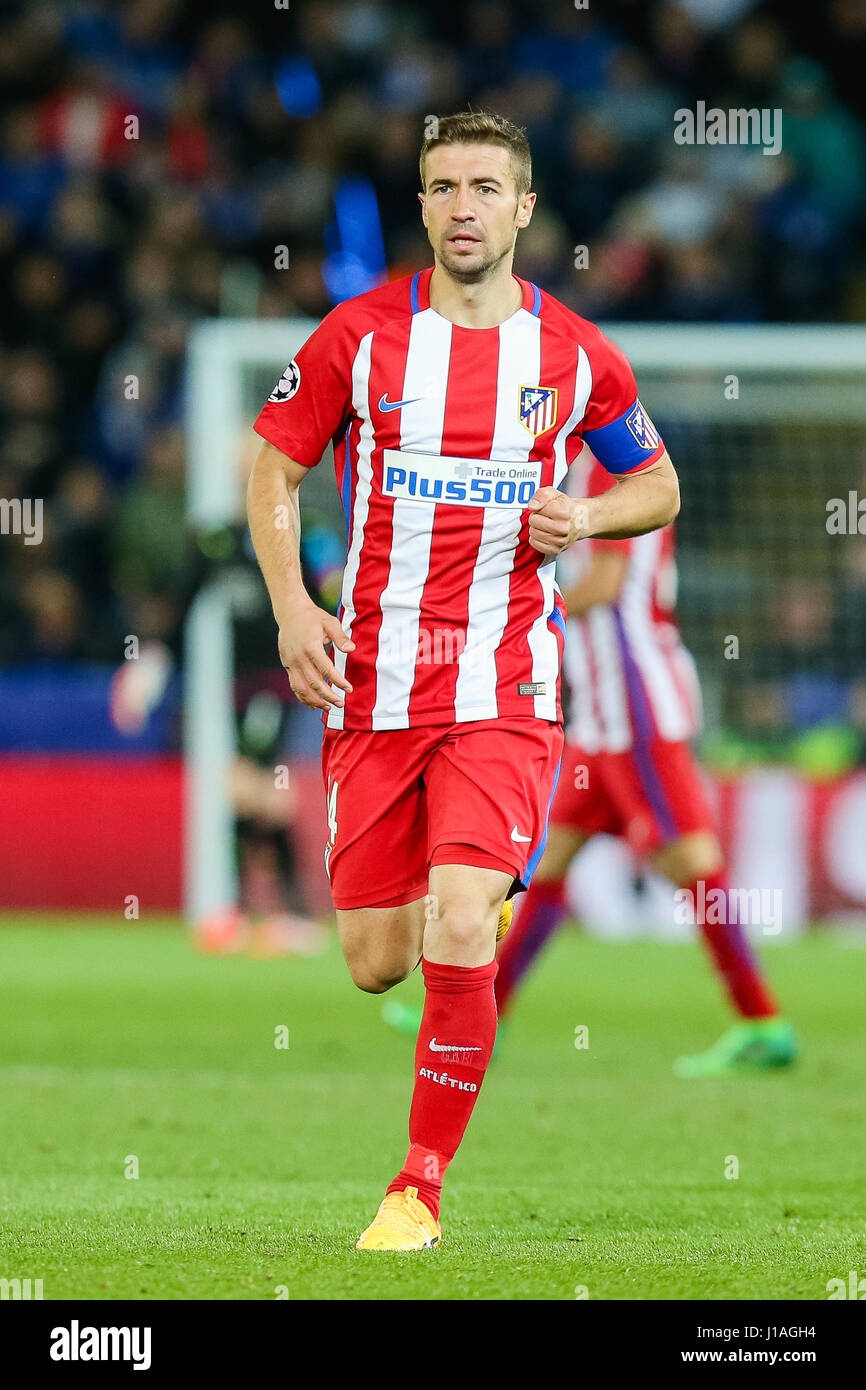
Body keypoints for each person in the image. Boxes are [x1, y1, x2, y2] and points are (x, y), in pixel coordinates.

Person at [247, 112, 680, 1251]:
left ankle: (417, 1189)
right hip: (374, 691)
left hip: (503, 684)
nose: (463, 206)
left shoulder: (573, 354)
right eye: (442, 187)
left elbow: (658, 484)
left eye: (485, 186)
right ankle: (477, 904)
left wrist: (585, 510)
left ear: (523, 209)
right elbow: (273, 470)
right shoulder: (360, 335)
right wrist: (295, 605)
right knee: (372, 961)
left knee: (451, 927)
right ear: (424, 204)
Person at [492, 453, 798, 1076]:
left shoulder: (608, 467)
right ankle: (481, 1011)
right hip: (604, 715)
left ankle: (762, 1019)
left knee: (690, 861)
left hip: (635, 703)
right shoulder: (583, 469)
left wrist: (513, 615)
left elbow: (606, 584)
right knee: (548, 860)